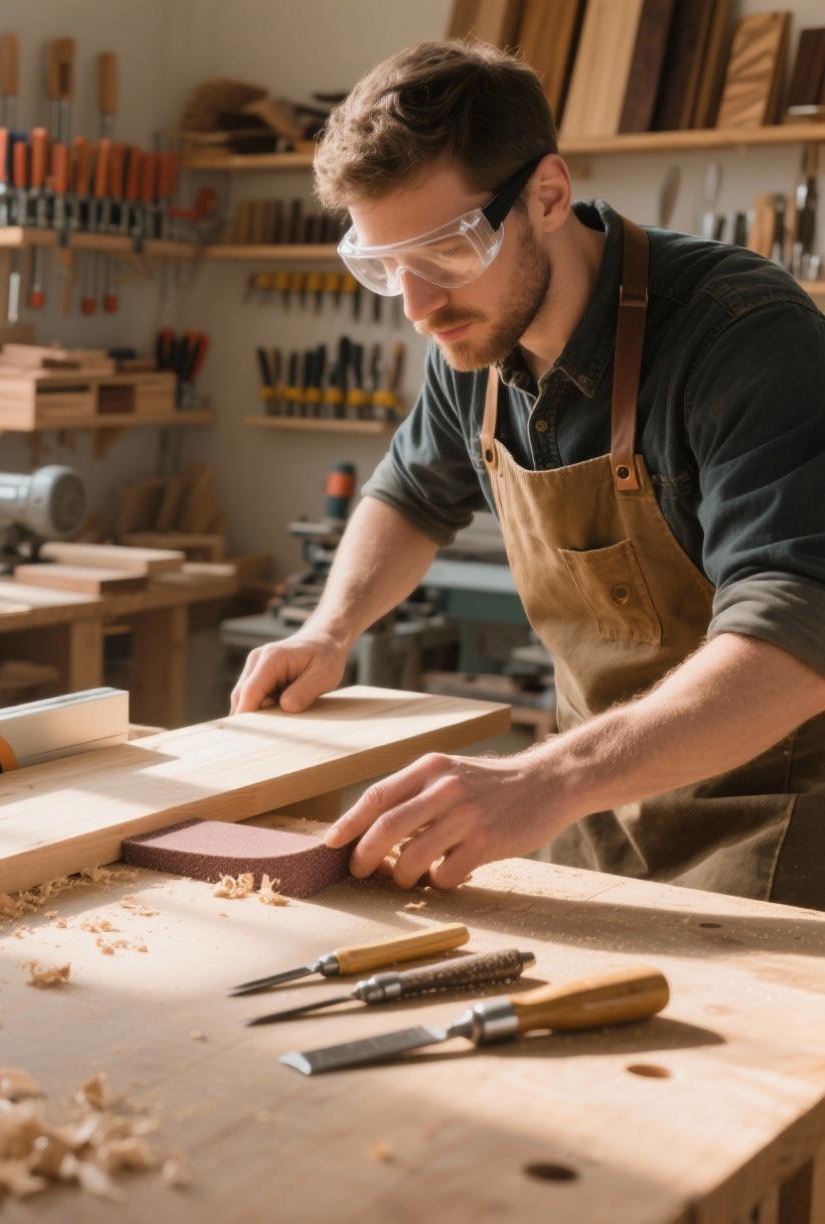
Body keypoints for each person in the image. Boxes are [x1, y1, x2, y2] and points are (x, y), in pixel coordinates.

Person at [230, 40, 825, 908]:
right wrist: (329, 629)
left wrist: (544, 780)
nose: (417, 306)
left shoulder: (743, 334)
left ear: (547, 194)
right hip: (597, 804)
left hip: (776, 817)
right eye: (384, 266)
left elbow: (798, 632)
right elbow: (410, 494)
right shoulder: (471, 340)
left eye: (444, 252)